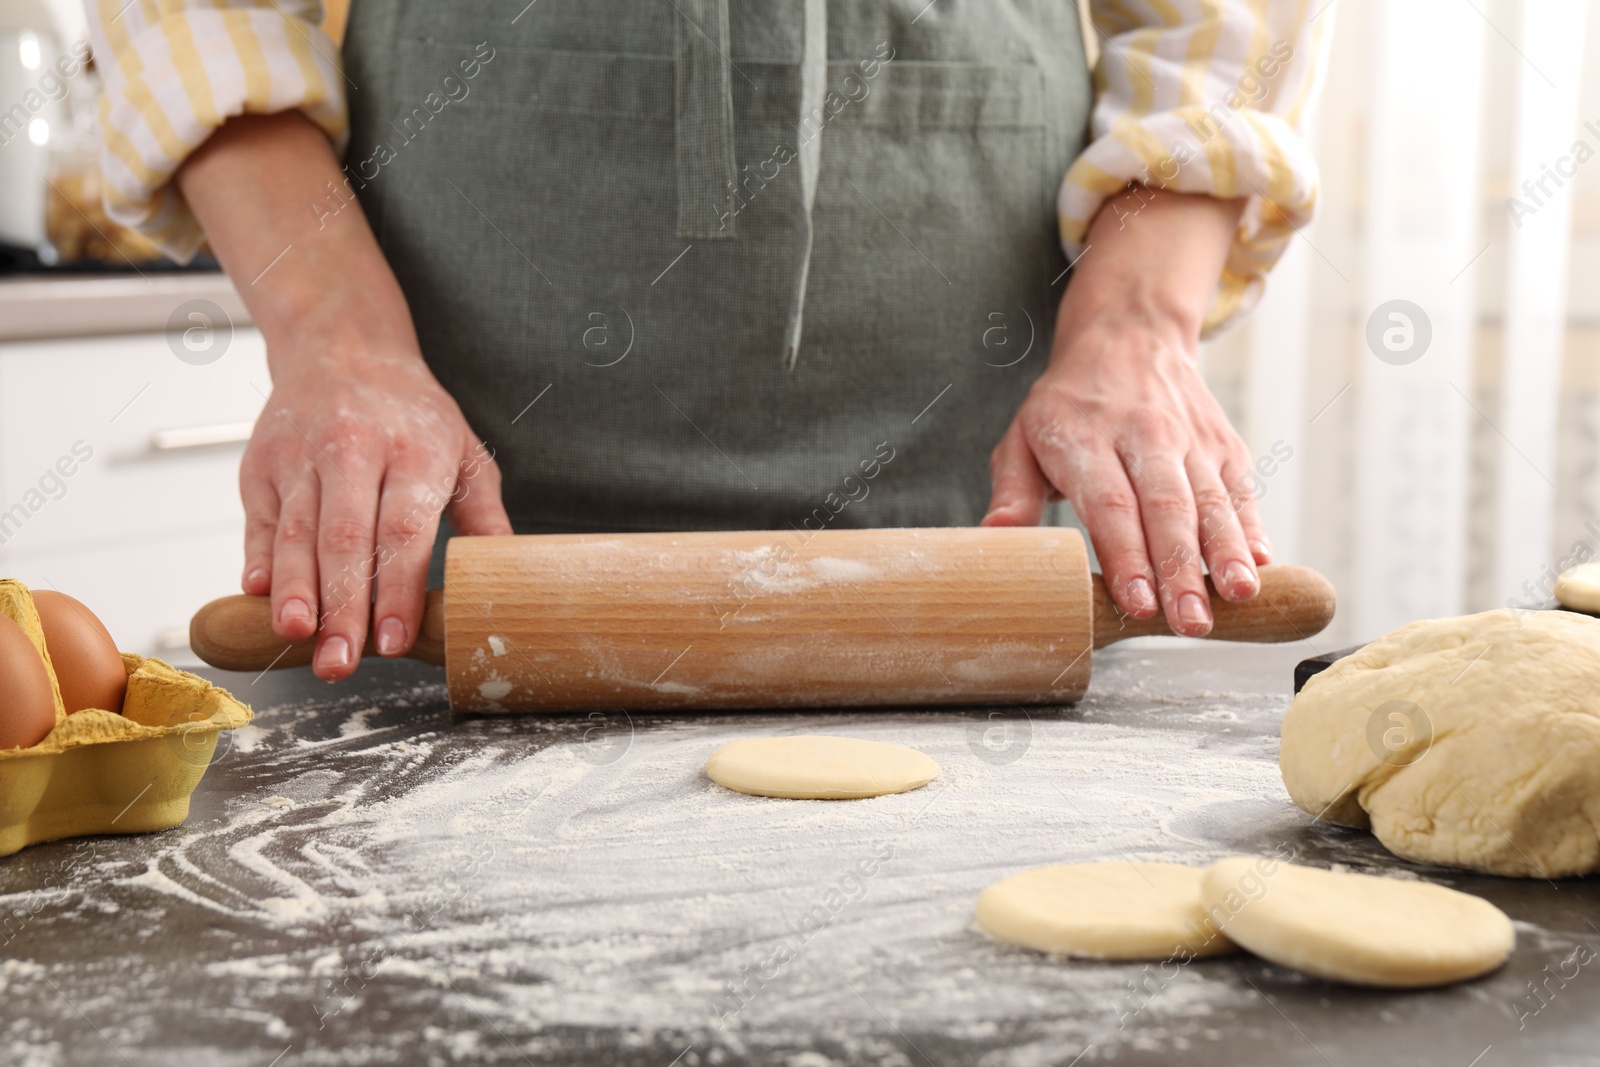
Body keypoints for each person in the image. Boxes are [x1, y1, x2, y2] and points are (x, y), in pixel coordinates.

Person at [87, 1, 1326, 681]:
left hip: (970, 557)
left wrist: (1138, 326)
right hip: (451, 560)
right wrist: (336, 344)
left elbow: (1218, 33)